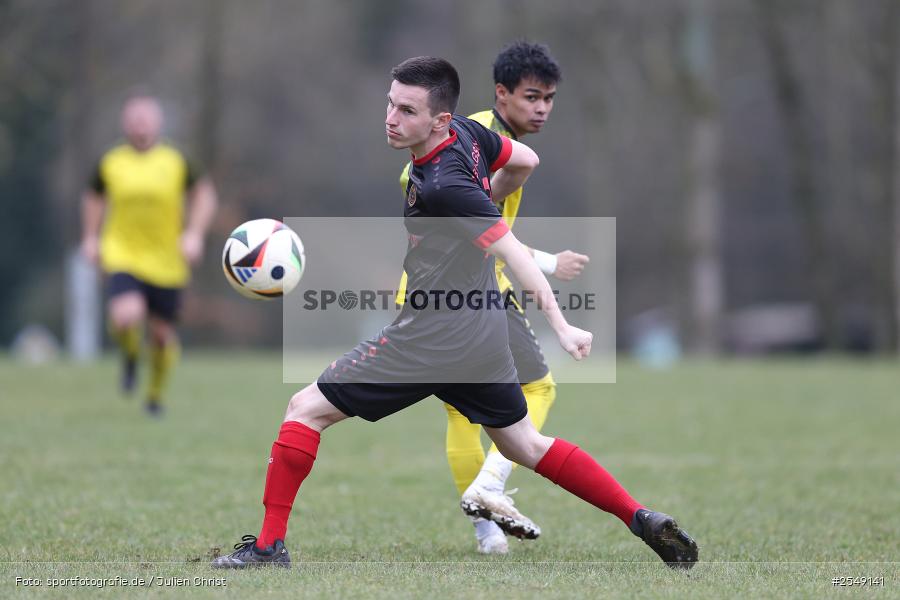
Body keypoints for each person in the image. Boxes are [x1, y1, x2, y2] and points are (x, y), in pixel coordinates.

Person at [211, 57, 697, 569]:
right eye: (391, 104)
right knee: (525, 445)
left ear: (439, 119)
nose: (391, 119)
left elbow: (513, 255)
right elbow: (527, 159)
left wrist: (561, 324)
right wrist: (491, 192)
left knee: (303, 409)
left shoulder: (446, 188)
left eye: (407, 111)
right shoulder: (469, 133)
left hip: (430, 338)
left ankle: (268, 547)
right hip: (484, 336)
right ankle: (640, 517)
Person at [396, 41, 588, 554]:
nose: (542, 108)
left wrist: (544, 260)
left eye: (549, 98)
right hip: (474, 291)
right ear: (502, 94)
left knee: (463, 414)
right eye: (531, 97)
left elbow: (486, 225)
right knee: (539, 388)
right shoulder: (476, 130)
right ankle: (490, 486)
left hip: (432, 288)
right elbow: (420, 181)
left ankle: (487, 534)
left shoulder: (502, 142)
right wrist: (547, 266)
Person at [80, 94, 217, 416]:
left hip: (167, 260)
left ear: (158, 122)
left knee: (161, 337)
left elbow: (204, 194)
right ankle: (130, 355)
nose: (140, 124)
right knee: (125, 316)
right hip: (123, 253)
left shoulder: (176, 160)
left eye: (146, 118)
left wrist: (194, 234)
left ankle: (154, 396)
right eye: (134, 118)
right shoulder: (111, 161)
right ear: (124, 123)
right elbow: (93, 197)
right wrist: (90, 237)